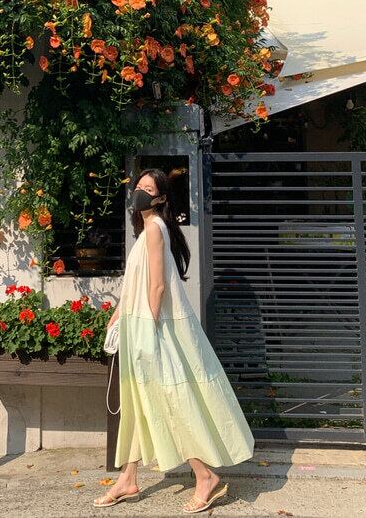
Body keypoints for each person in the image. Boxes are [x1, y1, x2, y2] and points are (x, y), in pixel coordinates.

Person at [93, 168, 254, 513]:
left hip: (151, 330)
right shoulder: (146, 231)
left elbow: (157, 286)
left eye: (149, 189)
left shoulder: (154, 229)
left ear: (161, 199)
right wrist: (117, 315)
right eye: (139, 186)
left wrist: (149, 329)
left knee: (168, 402)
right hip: (138, 326)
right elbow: (136, 284)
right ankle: (128, 478)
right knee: (139, 403)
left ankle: (205, 476)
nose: (141, 192)